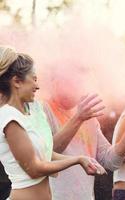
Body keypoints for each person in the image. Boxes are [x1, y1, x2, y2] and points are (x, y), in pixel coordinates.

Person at [0, 46, 105, 200]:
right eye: (33, 79)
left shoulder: (28, 114)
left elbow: (46, 154)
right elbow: (34, 169)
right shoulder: (9, 117)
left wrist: (83, 159)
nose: (37, 86)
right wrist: (76, 160)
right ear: (16, 81)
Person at [40, 66, 125, 200]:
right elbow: (47, 154)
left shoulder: (88, 117)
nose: (77, 87)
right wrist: (78, 118)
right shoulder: (42, 109)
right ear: (55, 82)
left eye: (79, 83)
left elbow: (111, 161)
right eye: (71, 82)